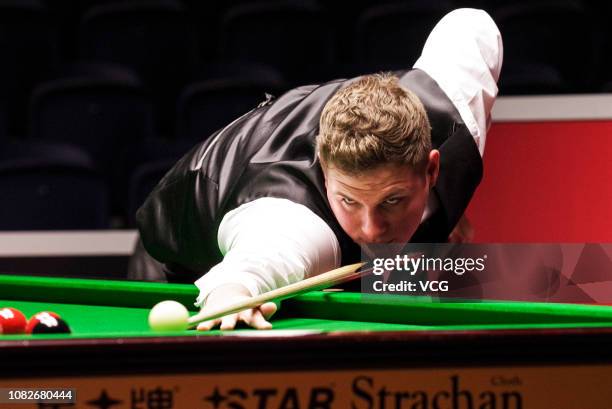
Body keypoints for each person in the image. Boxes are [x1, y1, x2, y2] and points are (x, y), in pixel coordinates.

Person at [132, 8, 503, 330]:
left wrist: (449, 207)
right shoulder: (291, 222)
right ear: (325, 173)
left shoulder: (455, 112)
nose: (371, 230)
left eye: (392, 200)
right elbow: (258, 263)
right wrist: (232, 292)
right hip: (181, 256)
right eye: (349, 201)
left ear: (432, 170)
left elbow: (472, 26)